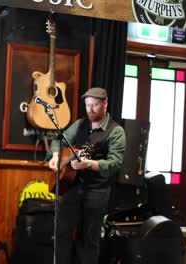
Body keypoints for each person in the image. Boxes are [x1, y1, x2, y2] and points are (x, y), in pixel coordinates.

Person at [48, 87, 125, 264]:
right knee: (61, 233)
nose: (90, 110)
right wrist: (55, 156)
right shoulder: (81, 124)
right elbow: (58, 140)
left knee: (89, 239)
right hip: (74, 187)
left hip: (97, 191)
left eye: (95, 105)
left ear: (105, 104)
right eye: (87, 105)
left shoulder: (116, 132)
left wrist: (88, 163)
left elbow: (114, 164)